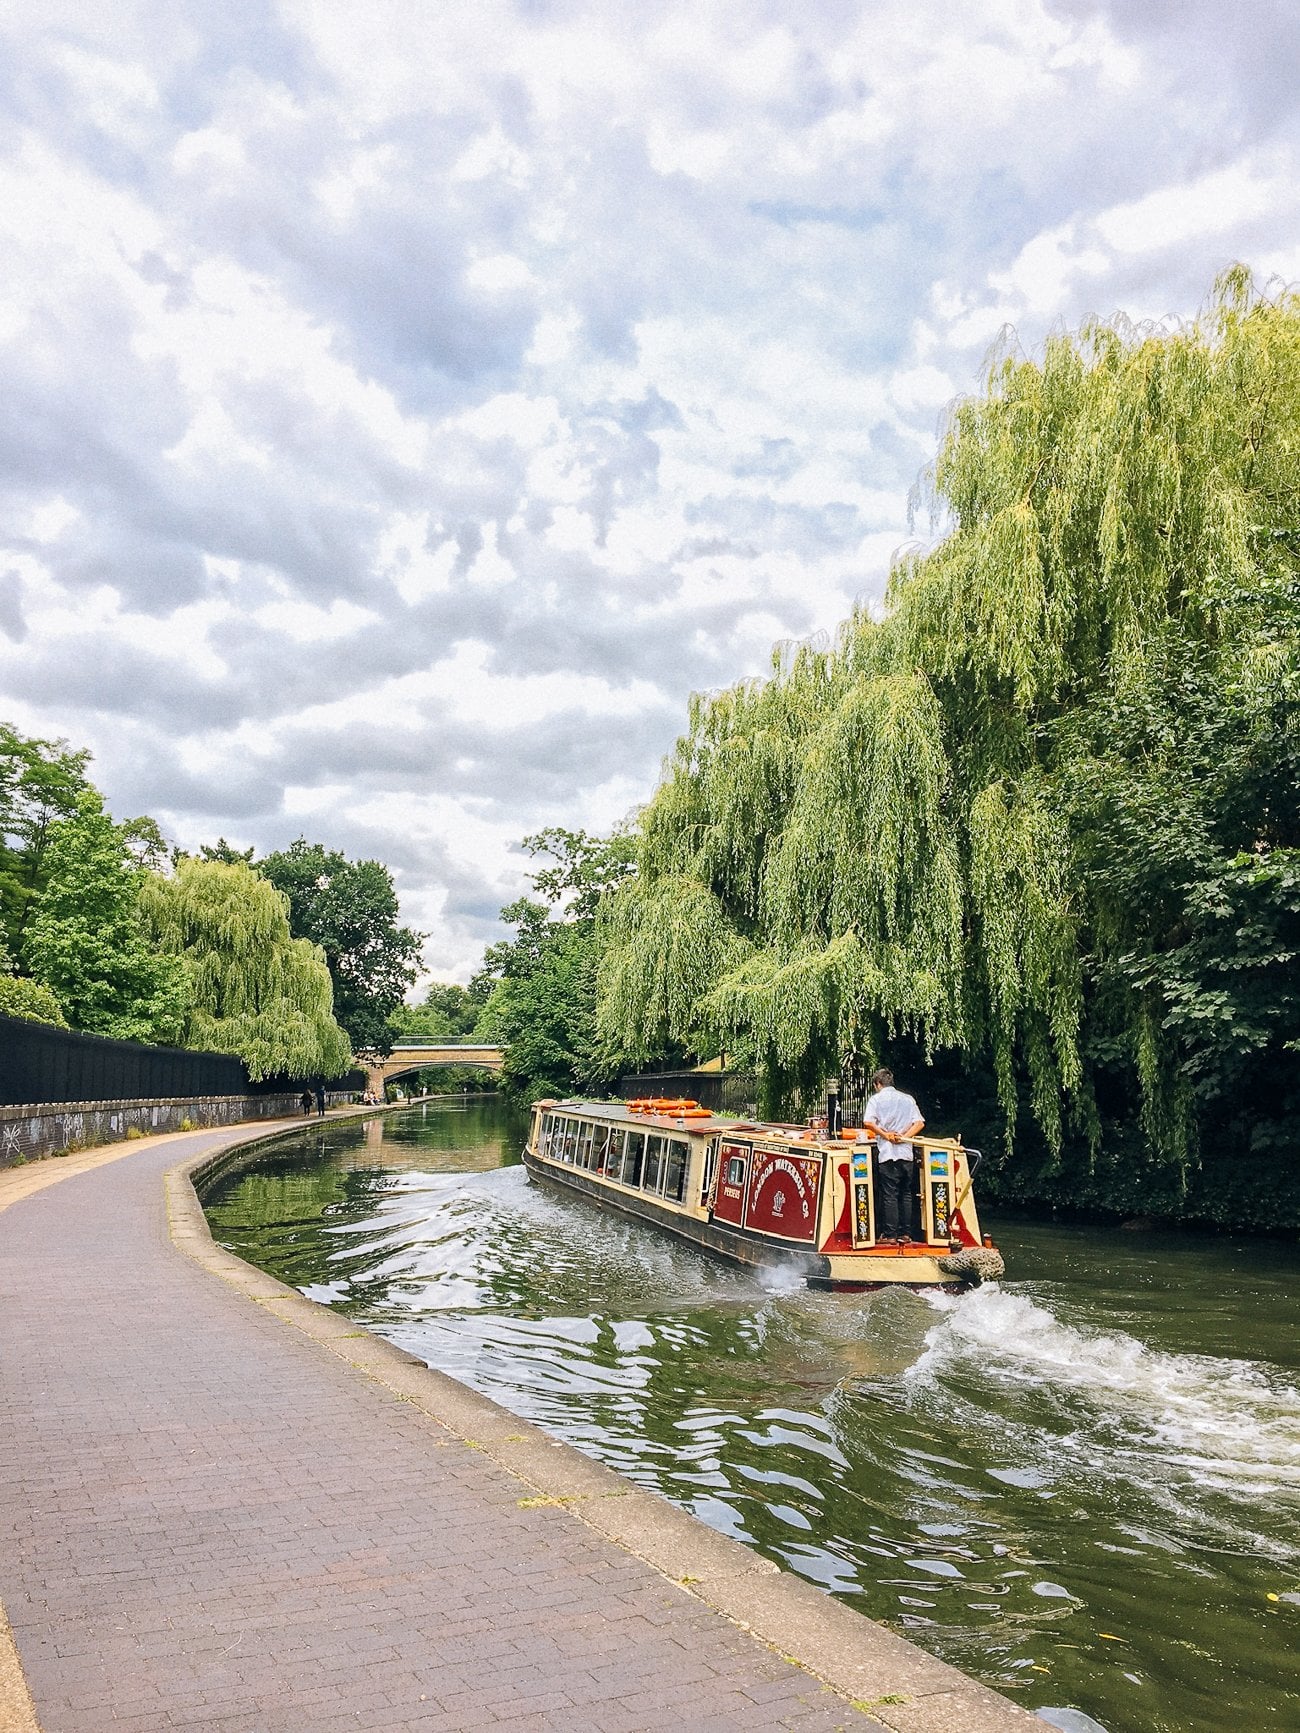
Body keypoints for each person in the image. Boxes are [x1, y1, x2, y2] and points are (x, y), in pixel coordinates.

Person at [862, 1068, 925, 1243]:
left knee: (889, 1194)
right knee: (905, 1193)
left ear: (877, 1084)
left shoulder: (876, 1099)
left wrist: (885, 1135)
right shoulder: (907, 1099)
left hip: (888, 1153)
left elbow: (868, 1122)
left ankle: (890, 1235)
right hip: (906, 1154)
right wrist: (905, 1136)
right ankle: (905, 1234)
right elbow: (919, 1123)